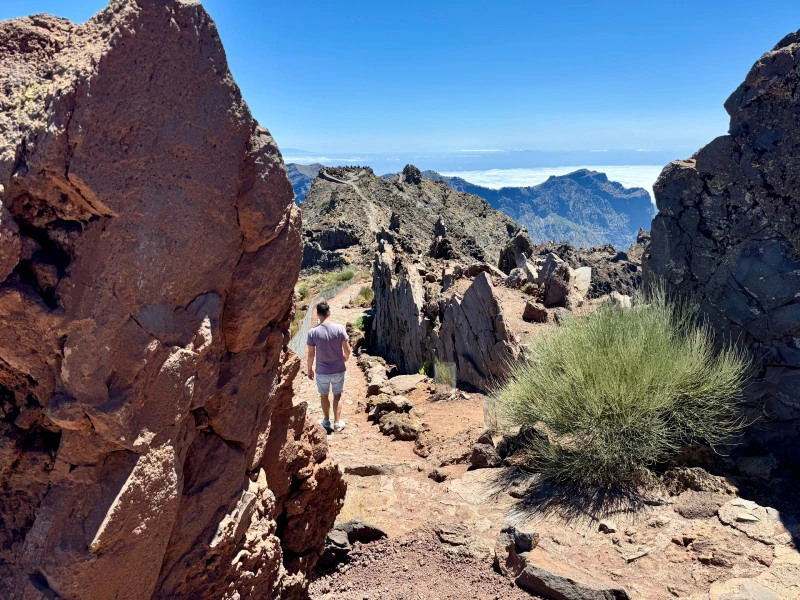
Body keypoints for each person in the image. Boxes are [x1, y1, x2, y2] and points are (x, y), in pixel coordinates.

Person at [306, 301, 350, 432]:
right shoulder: (339, 328)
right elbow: (347, 349)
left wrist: (309, 369)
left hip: (322, 371)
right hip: (338, 369)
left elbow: (311, 354)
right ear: (329, 312)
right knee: (337, 395)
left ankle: (326, 421)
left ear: (317, 313)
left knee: (323, 395)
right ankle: (337, 423)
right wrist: (346, 357)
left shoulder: (313, 332)